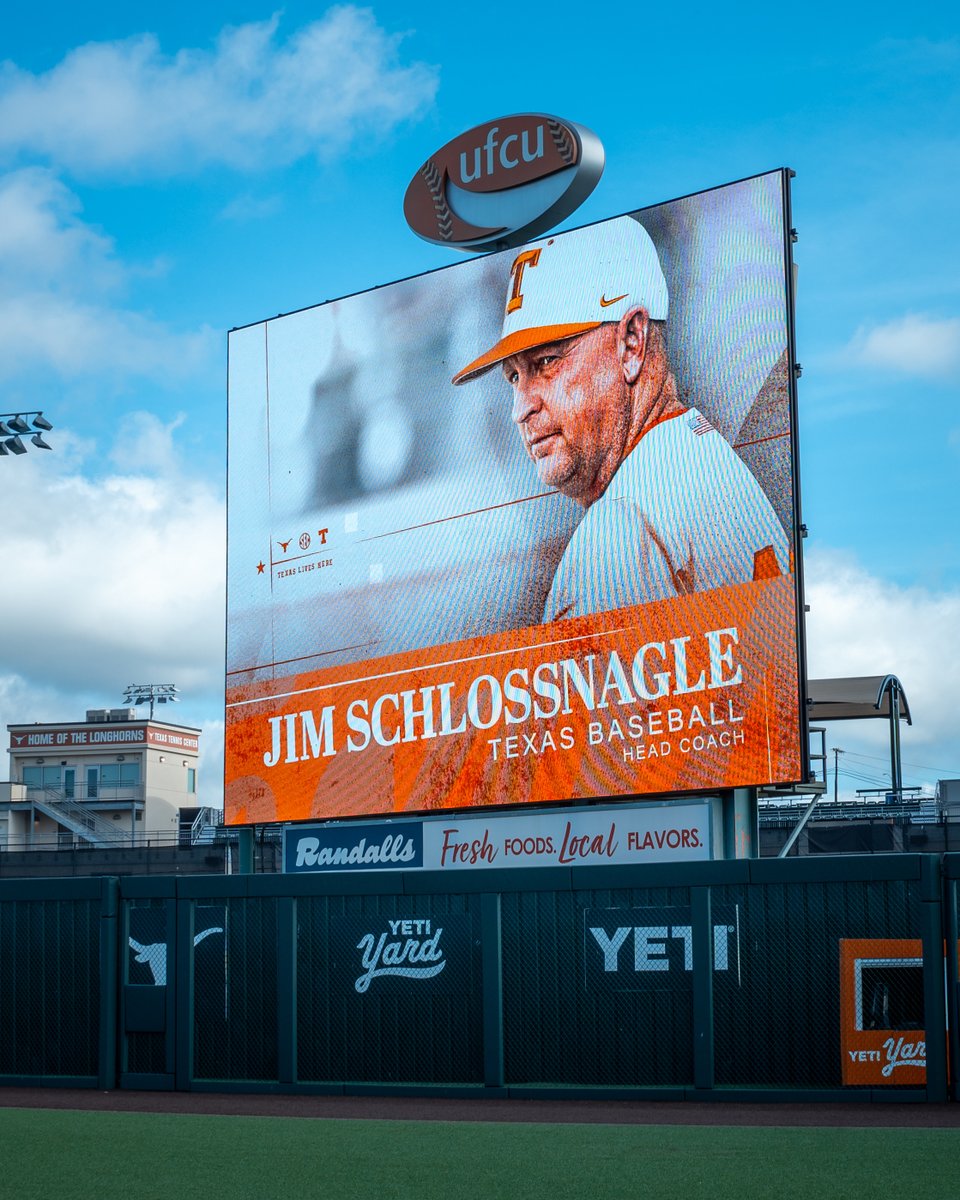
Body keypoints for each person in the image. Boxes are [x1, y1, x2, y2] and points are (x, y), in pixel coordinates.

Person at [452, 216, 789, 621]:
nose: (520, 408)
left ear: (631, 342)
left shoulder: (616, 535)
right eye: (514, 377)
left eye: (546, 361)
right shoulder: (696, 449)